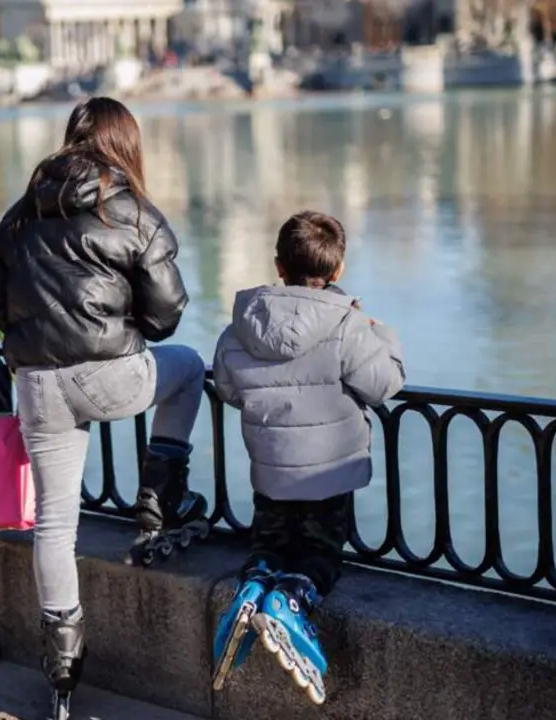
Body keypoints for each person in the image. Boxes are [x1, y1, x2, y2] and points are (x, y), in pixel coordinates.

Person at [0, 97, 206, 709]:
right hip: (109, 377)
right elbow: (167, 313)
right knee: (189, 367)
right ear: (125, 144)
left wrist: (29, 341)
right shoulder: (132, 211)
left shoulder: (20, 214)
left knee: (55, 524)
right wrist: (125, 328)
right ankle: (161, 495)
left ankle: (61, 671)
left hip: (36, 382)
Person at [211, 211, 405, 705]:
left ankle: (254, 586)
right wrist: (382, 334)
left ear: (279, 266)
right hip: (329, 473)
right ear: (337, 270)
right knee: (319, 555)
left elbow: (228, 389)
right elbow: (385, 384)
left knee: (271, 543)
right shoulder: (347, 324)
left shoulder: (241, 325)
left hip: (270, 467)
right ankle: (290, 601)